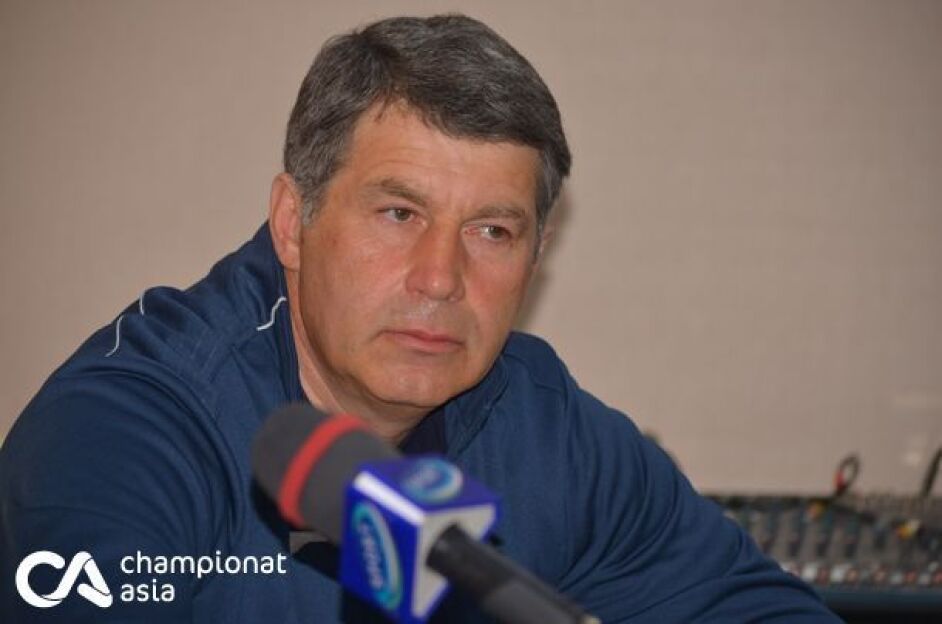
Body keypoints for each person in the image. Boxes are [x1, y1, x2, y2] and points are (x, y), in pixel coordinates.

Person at [0, 14, 839, 623]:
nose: (441, 278)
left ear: (535, 256)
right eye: (399, 213)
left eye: (492, 231)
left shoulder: (549, 431)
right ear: (293, 223)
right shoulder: (128, 433)